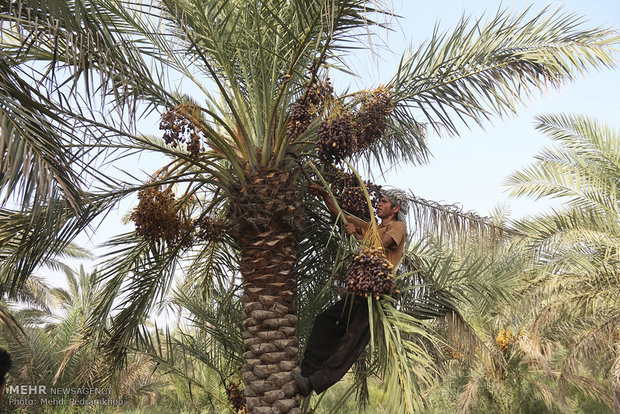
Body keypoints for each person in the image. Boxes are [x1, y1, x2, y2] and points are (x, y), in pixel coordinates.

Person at [294, 183, 408, 396]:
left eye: (384, 202)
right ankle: (305, 373)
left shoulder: (397, 227)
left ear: (395, 209)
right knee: (324, 321)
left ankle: (313, 383)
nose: (379, 204)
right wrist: (326, 196)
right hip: (361, 290)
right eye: (380, 200)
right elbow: (341, 214)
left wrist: (357, 234)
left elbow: (379, 245)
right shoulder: (371, 225)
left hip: (377, 294)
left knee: (350, 343)